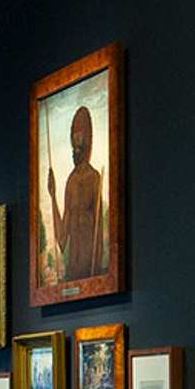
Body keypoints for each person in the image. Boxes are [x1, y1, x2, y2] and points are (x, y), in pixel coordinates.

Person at [52, 105, 109, 287]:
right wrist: (52, 196)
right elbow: (62, 239)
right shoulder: (70, 181)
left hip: (90, 267)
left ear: (88, 140)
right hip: (72, 270)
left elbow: (99, 231)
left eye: (80, 136)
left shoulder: (94, 178)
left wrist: (96, 270)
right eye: (73, 136)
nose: (75, 143)